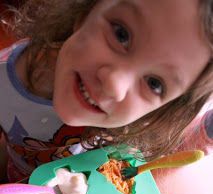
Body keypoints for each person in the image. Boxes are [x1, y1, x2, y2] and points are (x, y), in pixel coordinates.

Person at [0, 0, 213, 183]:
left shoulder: (141, 119)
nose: (114, 84)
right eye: (121, 35)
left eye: (154, 83)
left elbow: (170, 149)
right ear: (86, 11)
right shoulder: (4, 80)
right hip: (21, 183)